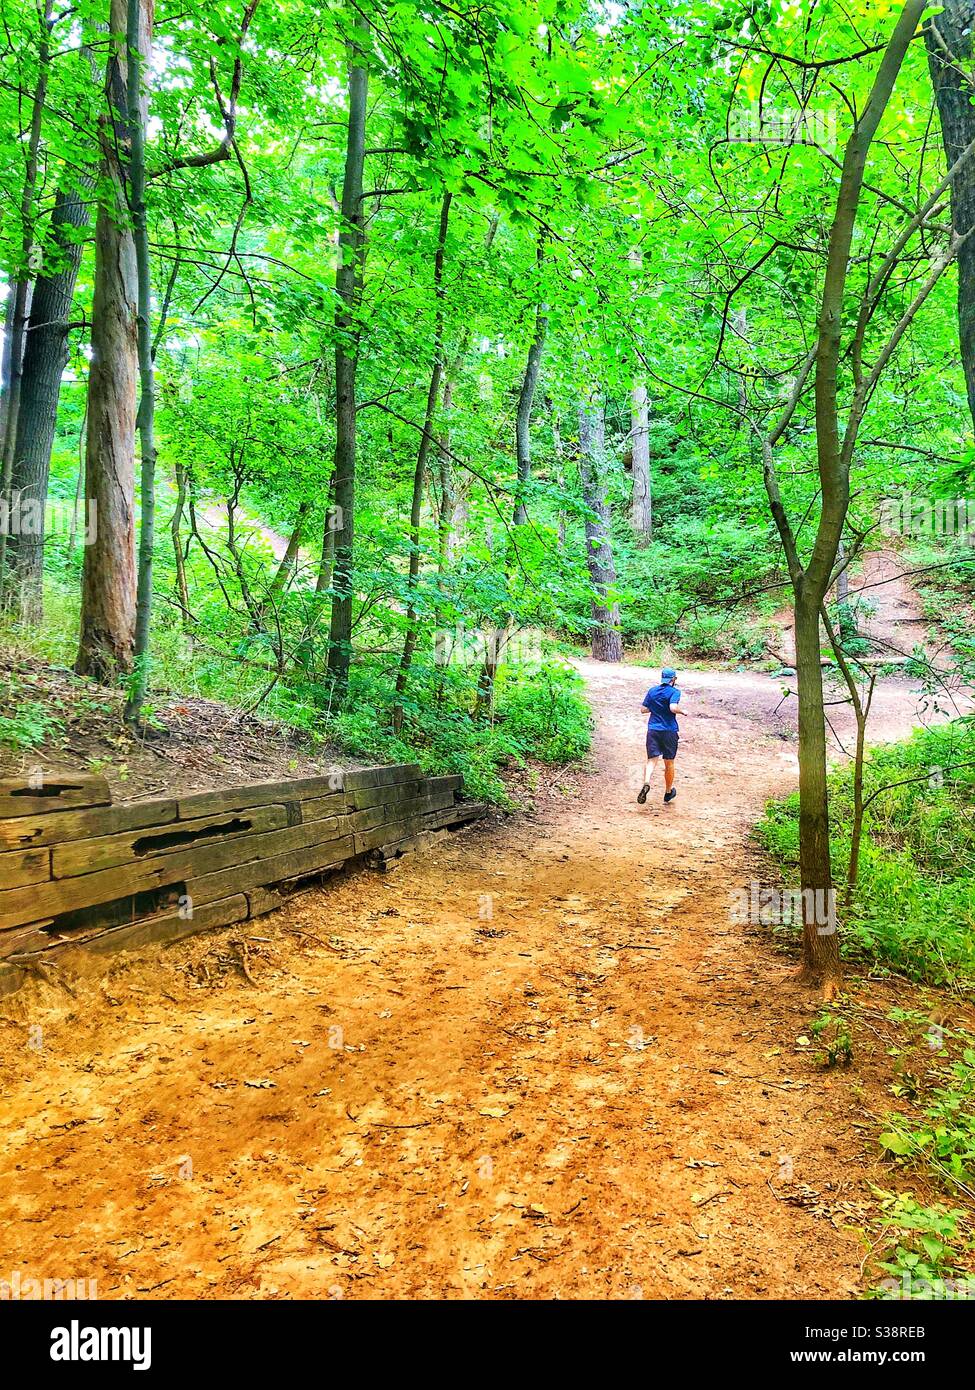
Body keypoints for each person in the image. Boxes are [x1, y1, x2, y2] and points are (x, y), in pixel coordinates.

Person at [637, 666, 682, 805]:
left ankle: (646, 782)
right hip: (669, 730)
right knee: (669, 762)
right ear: (673, 679)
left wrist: (656, 707)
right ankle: (668, 792)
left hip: (653, 729)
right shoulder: (675, 692)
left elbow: (643, 709)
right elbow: (673, 708)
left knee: (651, 759)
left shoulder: (652, 691)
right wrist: (682, 711)